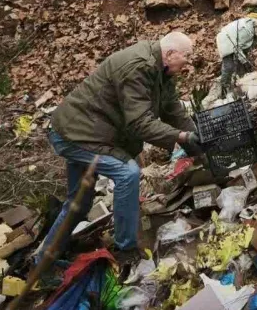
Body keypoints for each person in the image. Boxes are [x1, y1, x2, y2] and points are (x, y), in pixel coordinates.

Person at [39, 32, 202, 264]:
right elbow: (139, 123)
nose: (188, 61)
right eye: (186, 56)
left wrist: (197, 138)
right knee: (128, 173)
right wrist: (182, 137)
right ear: (170, 54)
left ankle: (44, 261)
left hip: (88, 131)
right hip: (76, 134)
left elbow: (172, 109)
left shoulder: (160, 70)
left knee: (80, 203)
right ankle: (125, 250)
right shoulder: (138, 67)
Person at [216, 17, 257, 94]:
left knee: (242, 63)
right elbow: (236, 48)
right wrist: (244, 61)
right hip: (226, 39)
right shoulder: (246, 31)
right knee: (229, 65)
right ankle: (224, 87)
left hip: (239, 42)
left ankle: (242, 82)